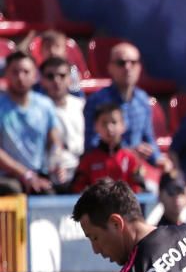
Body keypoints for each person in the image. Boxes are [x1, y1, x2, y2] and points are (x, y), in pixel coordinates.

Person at [83, 42, 171, 171]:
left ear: (139, 67)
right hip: (106, 169)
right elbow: (91, 144)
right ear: (110, 68)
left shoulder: (143, 100)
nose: (128, 67)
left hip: (135, 170)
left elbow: (148, 138)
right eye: (121, 63)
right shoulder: (96, 101)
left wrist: (158, 158)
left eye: (133, 62)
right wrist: (127, 152)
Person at [0, 51, 62, 195]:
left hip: (39, 174)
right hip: (7, 177)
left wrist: (57, 160)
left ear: (35, 75)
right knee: (13, 190)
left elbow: (55, 140)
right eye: (15, 72)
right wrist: (25, 174)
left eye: (26, 71)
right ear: (6, 75)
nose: (20, 77)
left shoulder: (45, 105)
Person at [72, 103, 147, 193]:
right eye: (104, 123)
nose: (109, 128)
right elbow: (78, 189)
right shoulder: (88, 159)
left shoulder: (131, 158)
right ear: (96, 126)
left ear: (123, 125)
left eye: (114, 122)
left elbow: (137, 190)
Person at [39, 56, 85, 190]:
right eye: (50, 76)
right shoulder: (36, 108)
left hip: (80, 170)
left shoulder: (81, 106)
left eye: (62, 75)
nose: (56, 80)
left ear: (70, 79)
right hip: (48, 174)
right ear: (42, 80)